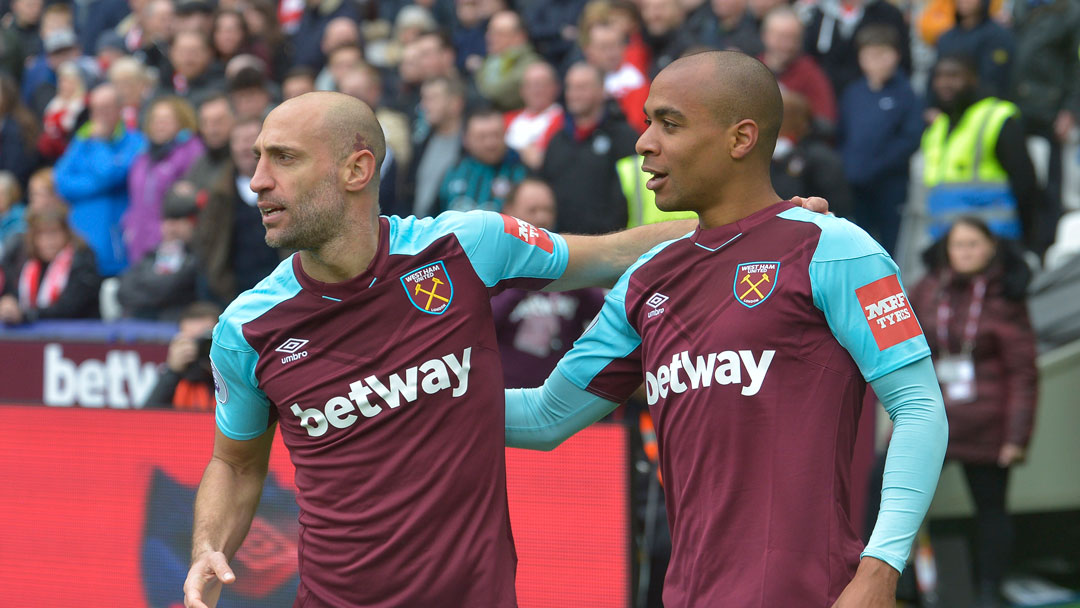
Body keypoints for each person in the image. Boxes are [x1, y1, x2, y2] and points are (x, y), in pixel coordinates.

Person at [181, 90, 831, 608]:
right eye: (258, 158)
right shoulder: (248, 330)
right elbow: (236, 465)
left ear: (357, 168)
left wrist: (757, 224)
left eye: (284, 158)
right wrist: (209, 545)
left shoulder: (465, 245)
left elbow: (606, 253)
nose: (258, 180)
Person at [504, 51, 948, 607]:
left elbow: (919, 408)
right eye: (645, 123)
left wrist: (881, 568)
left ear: (741, 139)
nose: (644, 143)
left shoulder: (835, 248)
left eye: (669, 123)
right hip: (689, 595)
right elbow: (546, 417)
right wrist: (409, 390)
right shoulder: (647, 278)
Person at [908, 217, 1037, 607]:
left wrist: (1016, 437)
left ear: (991, 248)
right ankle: (899, 583)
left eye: (973, 244)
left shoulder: (1005, 296)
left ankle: (987, 590)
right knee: (893, 497)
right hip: (933, 418)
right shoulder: (928, 288)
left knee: (991, 510)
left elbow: (1023, 371)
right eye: (957, 244)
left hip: (986, 424)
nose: (964, 252)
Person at [492, 178, 607, 388]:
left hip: (559, 397)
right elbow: (484, 325)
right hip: (506, 396)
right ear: (508, 212)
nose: (542, 218)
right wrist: (524, 278)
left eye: (548, 210)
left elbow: (606, 315)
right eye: (533, 210)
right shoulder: (492, 266)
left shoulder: (568, 264)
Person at [922, 53, 1044, 250]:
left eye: (954, 76)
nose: (945, 83)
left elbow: (1025, 184)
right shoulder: (938, 128)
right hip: (946, 247)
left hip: (994, 246)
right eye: (939, 76)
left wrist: (1028, 243)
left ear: (973, 79)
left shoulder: (996, 118)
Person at [837, 25, 924, 255]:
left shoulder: (906, 93)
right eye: (869, 55)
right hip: (855, 185)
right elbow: (843, 134)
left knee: (890, 246)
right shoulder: (853, 93)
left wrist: (874, 167)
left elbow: (911, 138)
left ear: (896, 55)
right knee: (858, 246)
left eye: (882, 54)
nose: (876, 62)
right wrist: (849, 167)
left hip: (890, 185)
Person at [54, 83, 145, 277]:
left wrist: (99, 143)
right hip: (82, 242)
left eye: (106, 108)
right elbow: (61, 183)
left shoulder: (135, 142)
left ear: (120, 109)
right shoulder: (81, 141)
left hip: (116, 247)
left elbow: (111, 176)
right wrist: (100, 183)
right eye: (95, 109)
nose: (99, 115)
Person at [540, 62, 638, 234]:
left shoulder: (624, 137)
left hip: (612, 244)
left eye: (582, 87)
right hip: (564, 245)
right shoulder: (557, 140)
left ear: (602, 91)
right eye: (571, 87)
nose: (574, 94)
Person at [124, 95, 205, 265]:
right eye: (156, 120)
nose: (159, 125)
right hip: (139, 241)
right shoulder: (143, 155)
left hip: (173, 244)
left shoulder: (191, 151)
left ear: (181, 122)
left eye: (166, 120)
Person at [0, 205, 101, 323]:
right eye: (42, 234)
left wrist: (25, 314)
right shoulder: (26, 261)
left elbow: (68, 308)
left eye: (54, 233)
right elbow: (14, 294)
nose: (49, 241)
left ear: (67, 234)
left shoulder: (82, 260)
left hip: (78, 335)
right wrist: (9, 303)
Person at [116, 181, 201, 320]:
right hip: (145, 326)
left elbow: (169, 288)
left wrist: (148, 287)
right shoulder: (153, 254)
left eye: (179, 220)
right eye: (168, 220)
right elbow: (123, 291)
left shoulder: (198, 258)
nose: (171, 227)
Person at [438, 107, 528, 213]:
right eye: (482, 137)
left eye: (496, 135)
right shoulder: (454, 171)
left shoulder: (520, 173)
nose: (490, 143)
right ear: (466, 139)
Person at [144, 301, 222, 409]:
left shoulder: (232, 375)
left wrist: (218, 367)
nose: (198, 348)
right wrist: (172, 371)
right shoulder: (179, 379)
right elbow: (148, 416)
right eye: (191, 341)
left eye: (204, 340)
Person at [935, 0, 1014, 99]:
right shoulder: (946, 38)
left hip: (985, 105)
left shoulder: (998, 36)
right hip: (947, 106)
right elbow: (934, 76)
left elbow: (995, 79)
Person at [475, 10, 542, 111]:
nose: (489, 37)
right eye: (489, 32)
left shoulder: (531, 64)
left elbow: (498, 94)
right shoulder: (490, 61)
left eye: (499, 33)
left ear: (519, 36)